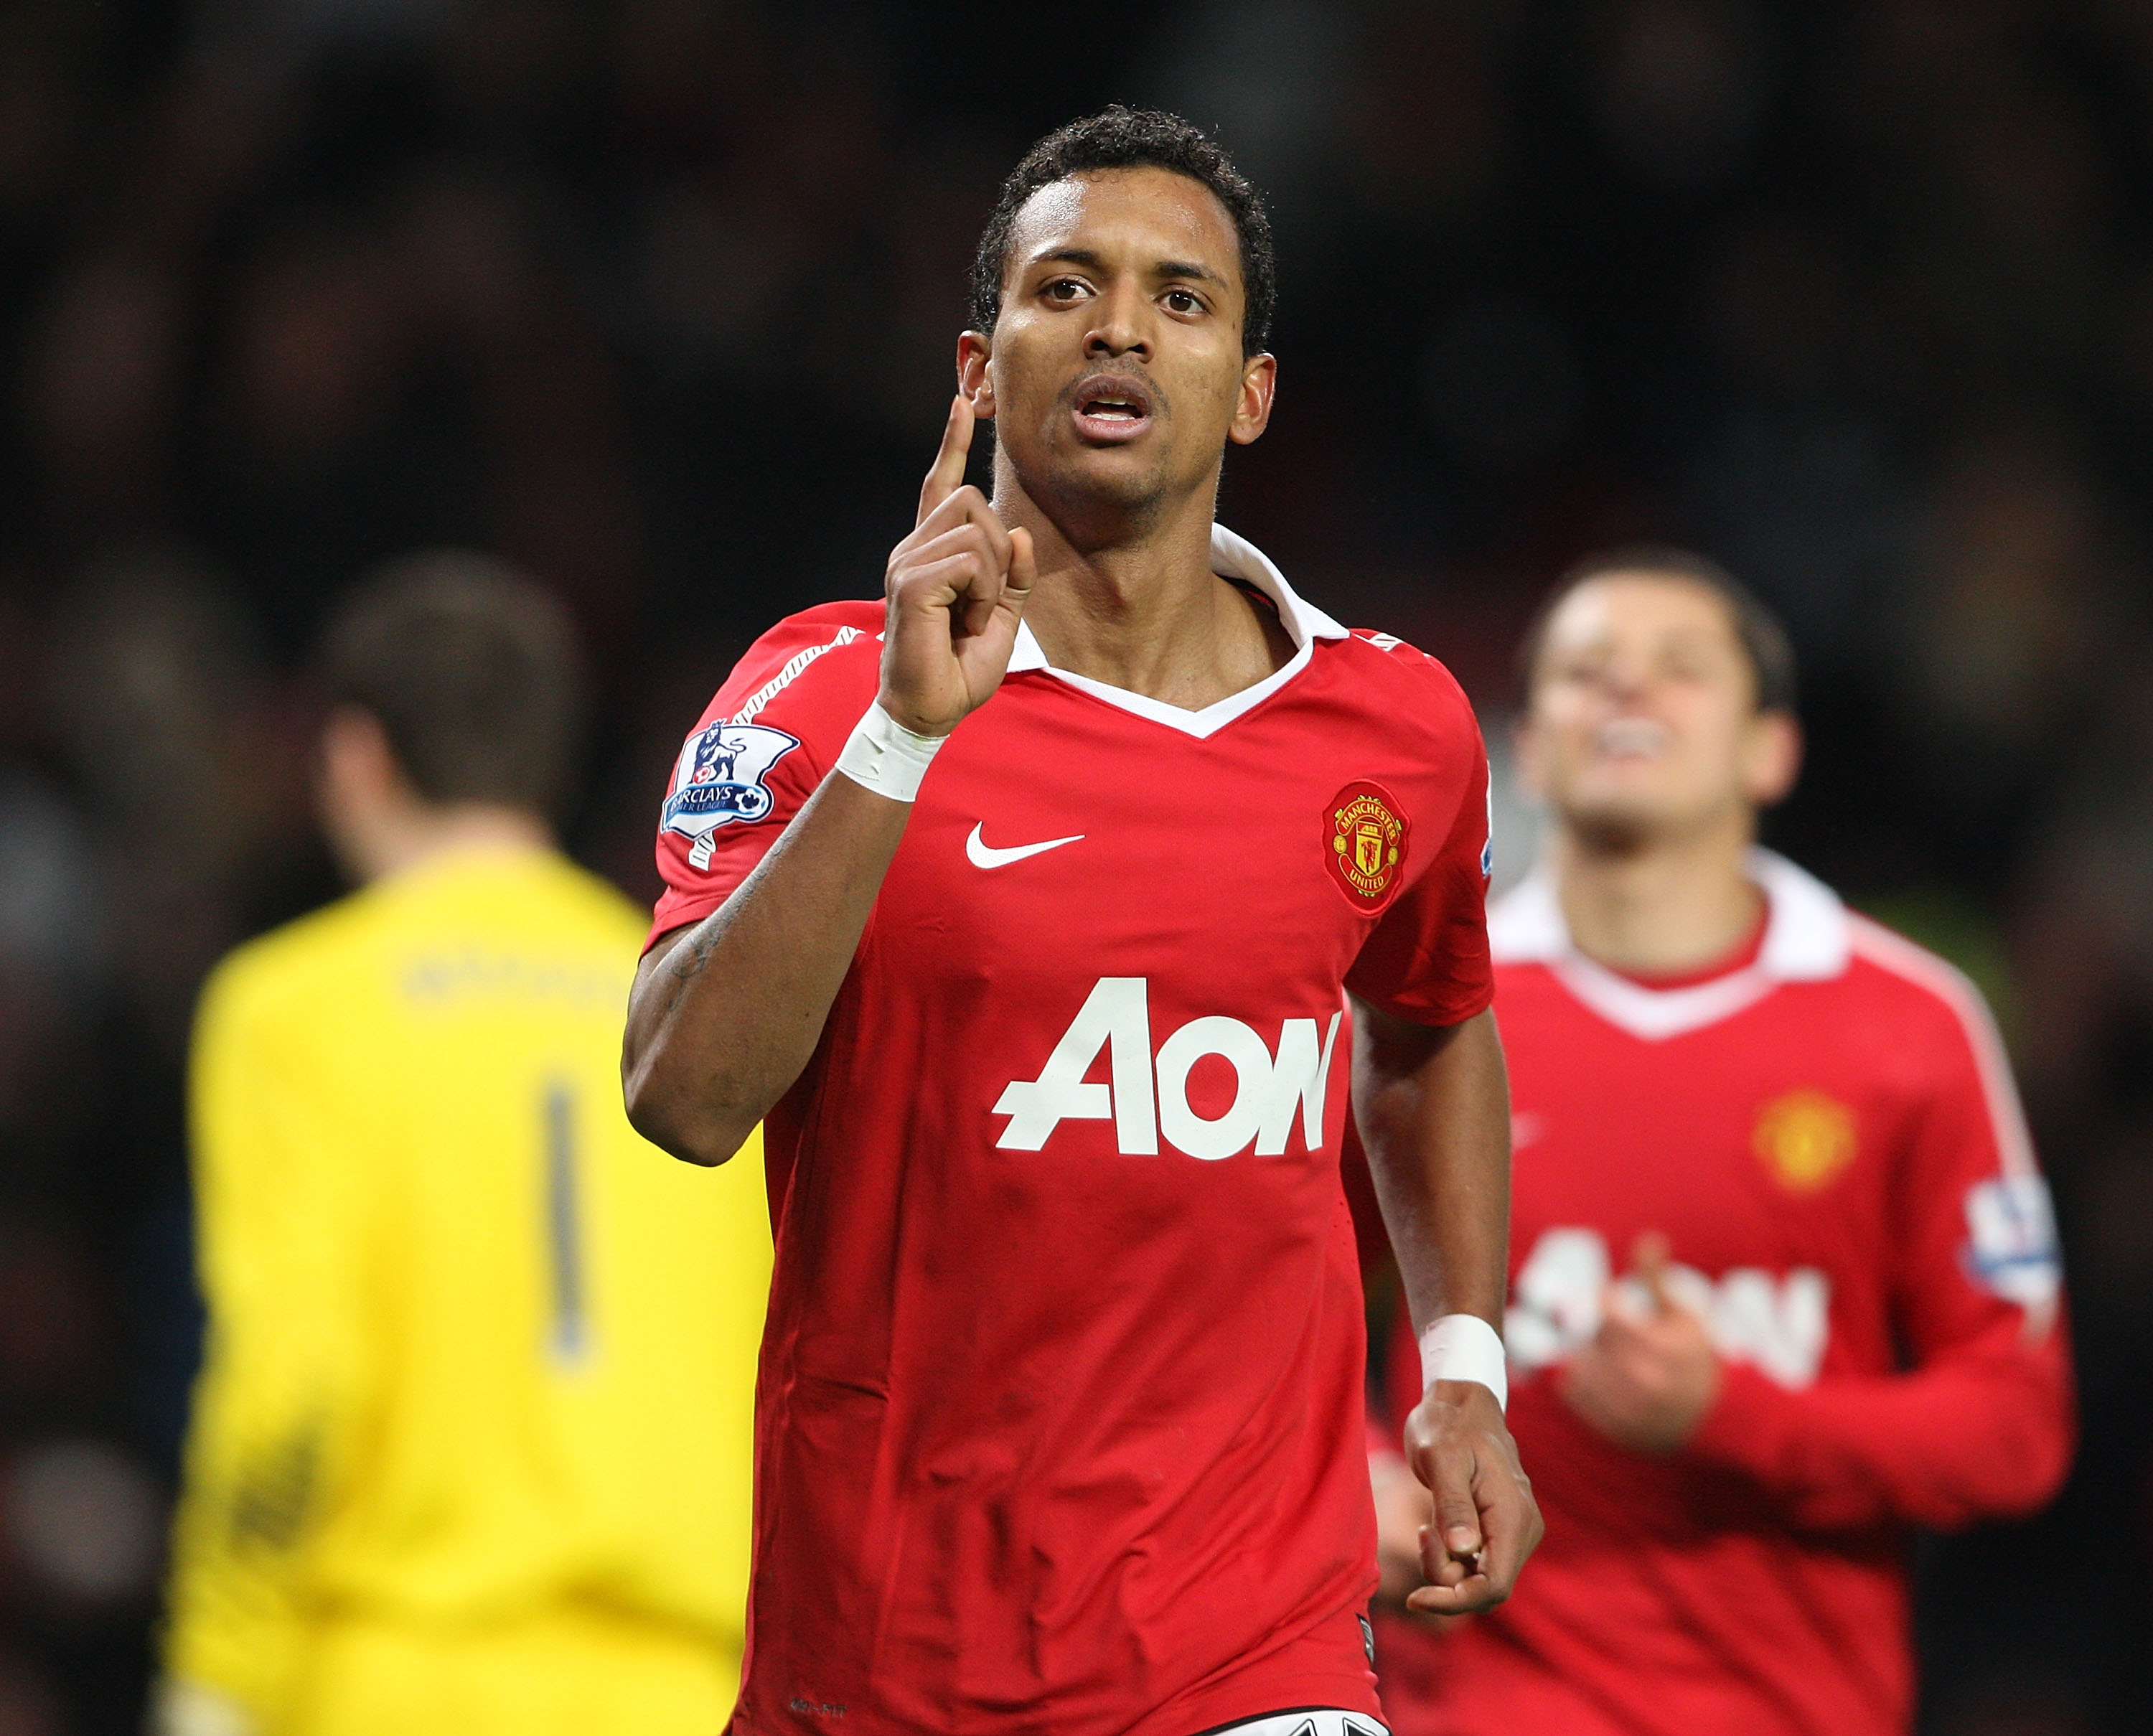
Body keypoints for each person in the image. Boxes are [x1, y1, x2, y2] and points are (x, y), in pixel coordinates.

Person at [621, 107, 1542, 1736]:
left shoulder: (1396, 729)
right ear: (980, 372)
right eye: (1070, 286)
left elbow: (1432, 1022)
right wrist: (903, 737)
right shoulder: (821, 687)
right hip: (889, 1660)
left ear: (1252, 393)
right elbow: (683, 1099)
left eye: (1183, 299)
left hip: (1259, 1654)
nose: (1122, 323)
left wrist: (1464, 1363)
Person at [1367, 550, 2075, 1736]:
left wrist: (1734, 1417)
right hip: (1471, 1705)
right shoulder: (1414, 1008)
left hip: (1791, 1706)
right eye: (1588, 673)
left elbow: (2015, 1427)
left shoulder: (1909, 1023)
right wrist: (1351, 1472)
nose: (1628, 693)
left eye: (1680, 670)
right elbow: (1260, 1298)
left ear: (1771, 748)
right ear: (1528, 749)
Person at [158, 556, 771, 1736]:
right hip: (690, 1691)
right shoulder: (699, 1013)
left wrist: (216, 1671)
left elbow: (295, 1377)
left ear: (354, 754)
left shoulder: (292, 1008)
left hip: (394, 1683)